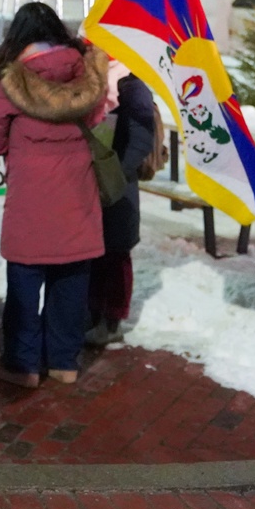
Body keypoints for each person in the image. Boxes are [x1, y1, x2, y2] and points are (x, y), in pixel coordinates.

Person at [0, 2, 108, 388]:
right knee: (71, 277)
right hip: (77, 194)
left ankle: (23, 365)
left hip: (30, 199)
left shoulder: (13, 83)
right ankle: (64, 363)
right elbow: (97, 120)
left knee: (25, 278)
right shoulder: (87, 74)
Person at [85, 63, 156, 347]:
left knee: (115, 253)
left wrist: (114, 172)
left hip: (118, 185)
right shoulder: (90, 79)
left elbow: (141, 139)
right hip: (89, 181)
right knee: (92, 251)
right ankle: (91, 314)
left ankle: (112, 320)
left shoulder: (132, 87)